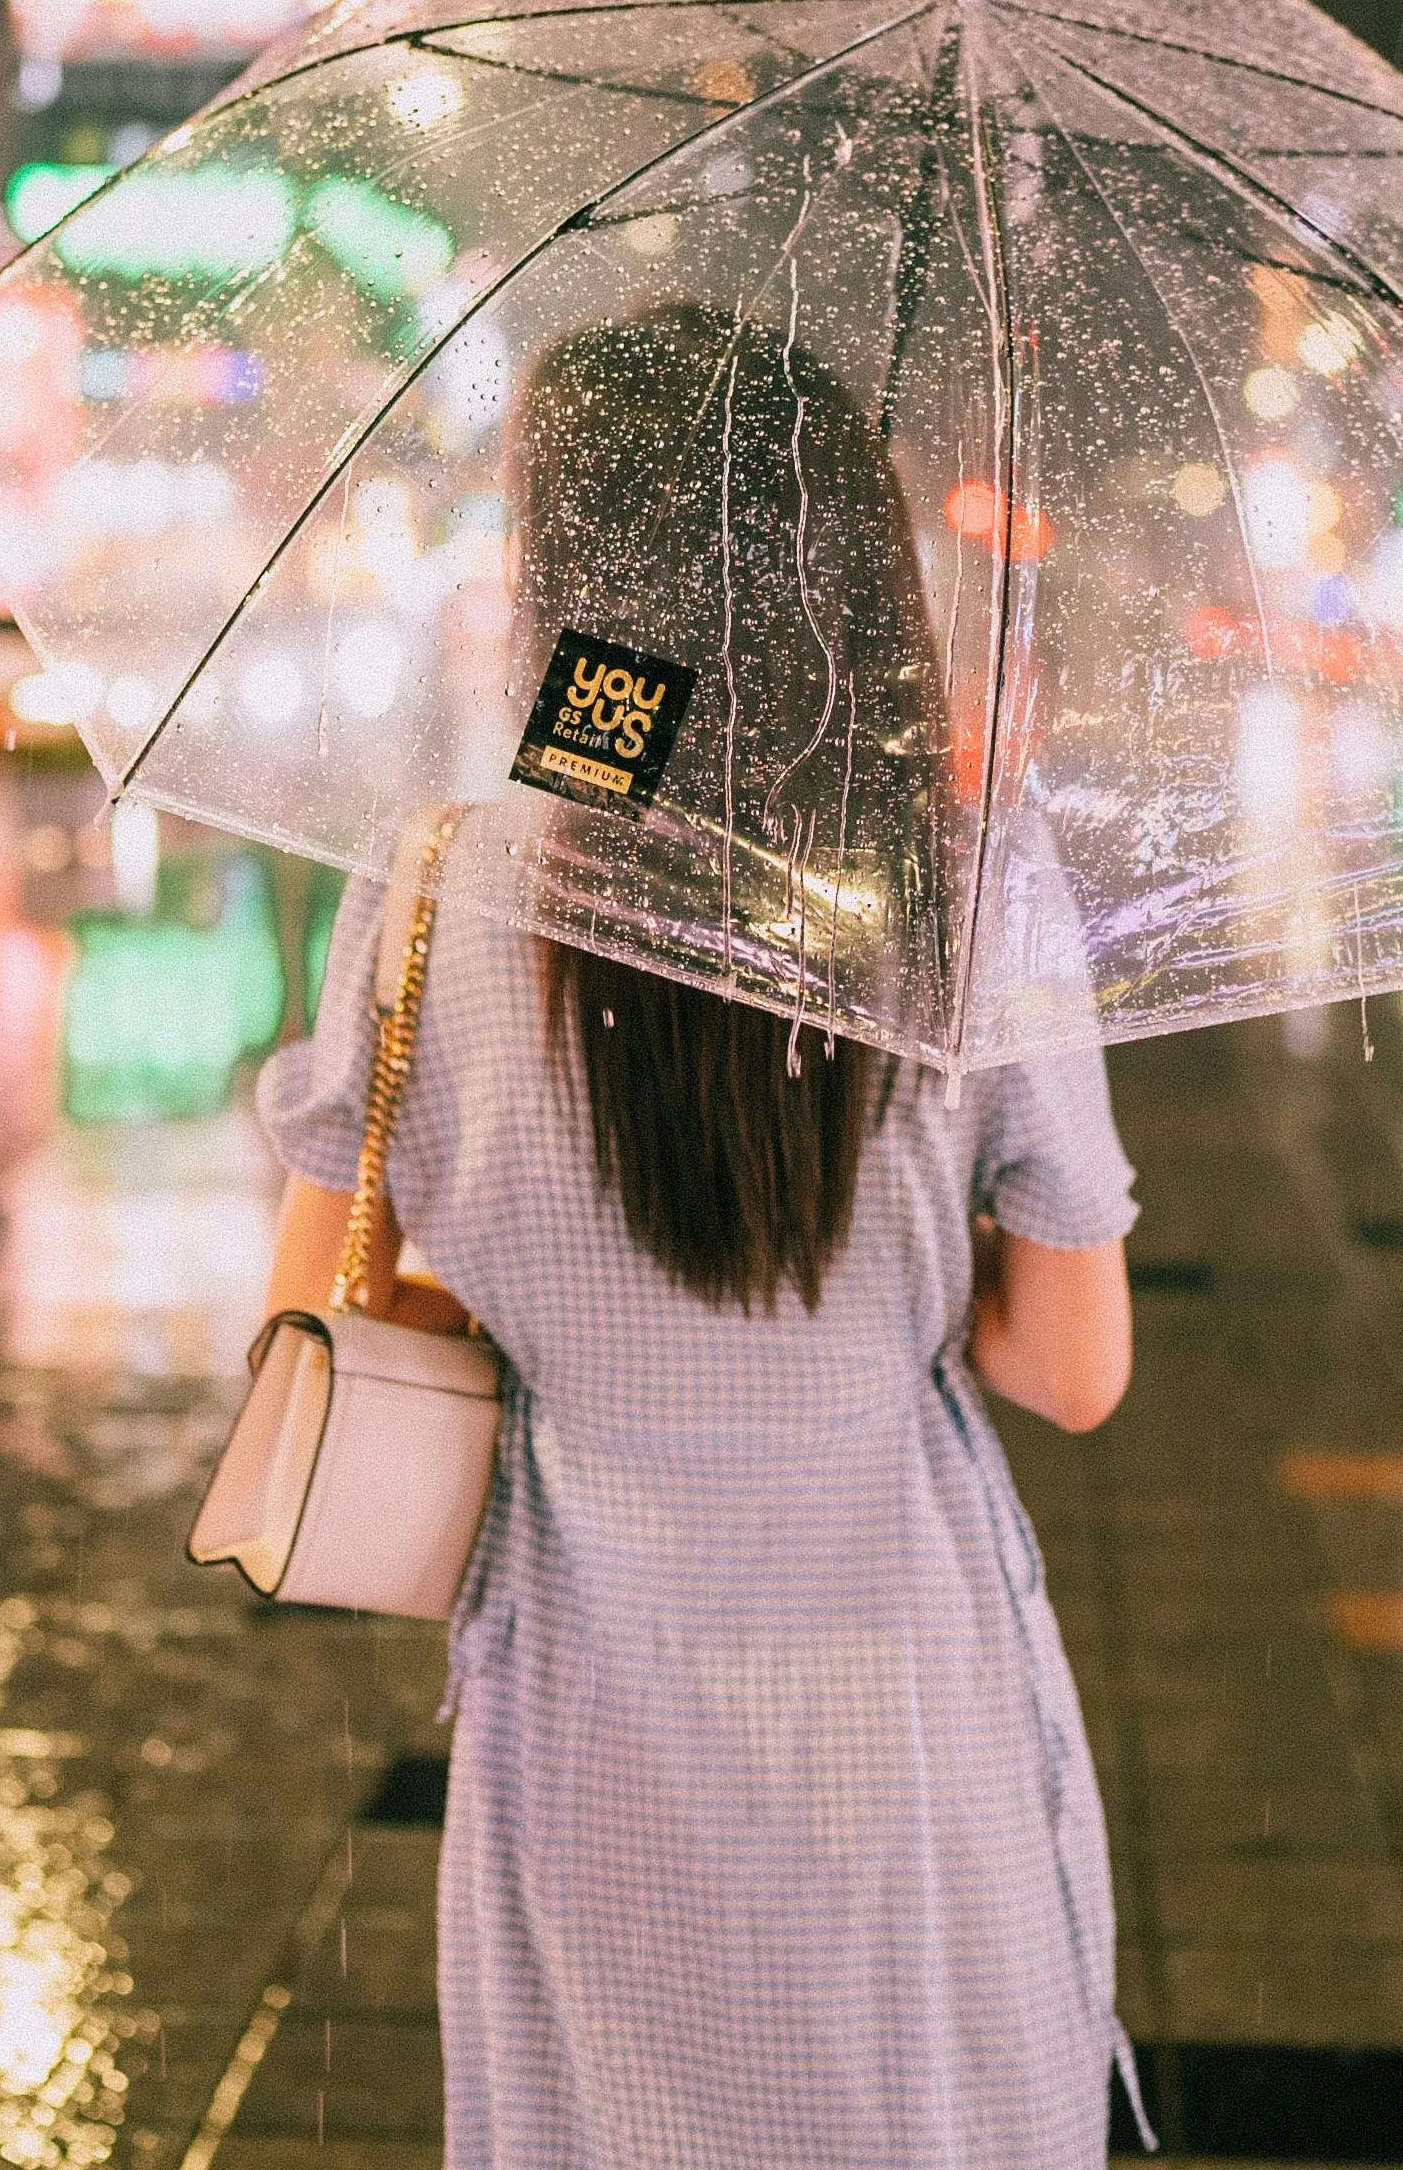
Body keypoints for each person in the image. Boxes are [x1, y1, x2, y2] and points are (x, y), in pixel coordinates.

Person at [254, 302, 1141, 2168]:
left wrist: (553, 1271)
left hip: (586, 1706)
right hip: (896, 1711)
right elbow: (1071, 1372)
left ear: (567, 580)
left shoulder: (436, 887)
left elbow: (318, 1311)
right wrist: (886, 1270)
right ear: (851, 575)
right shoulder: (975, 894)